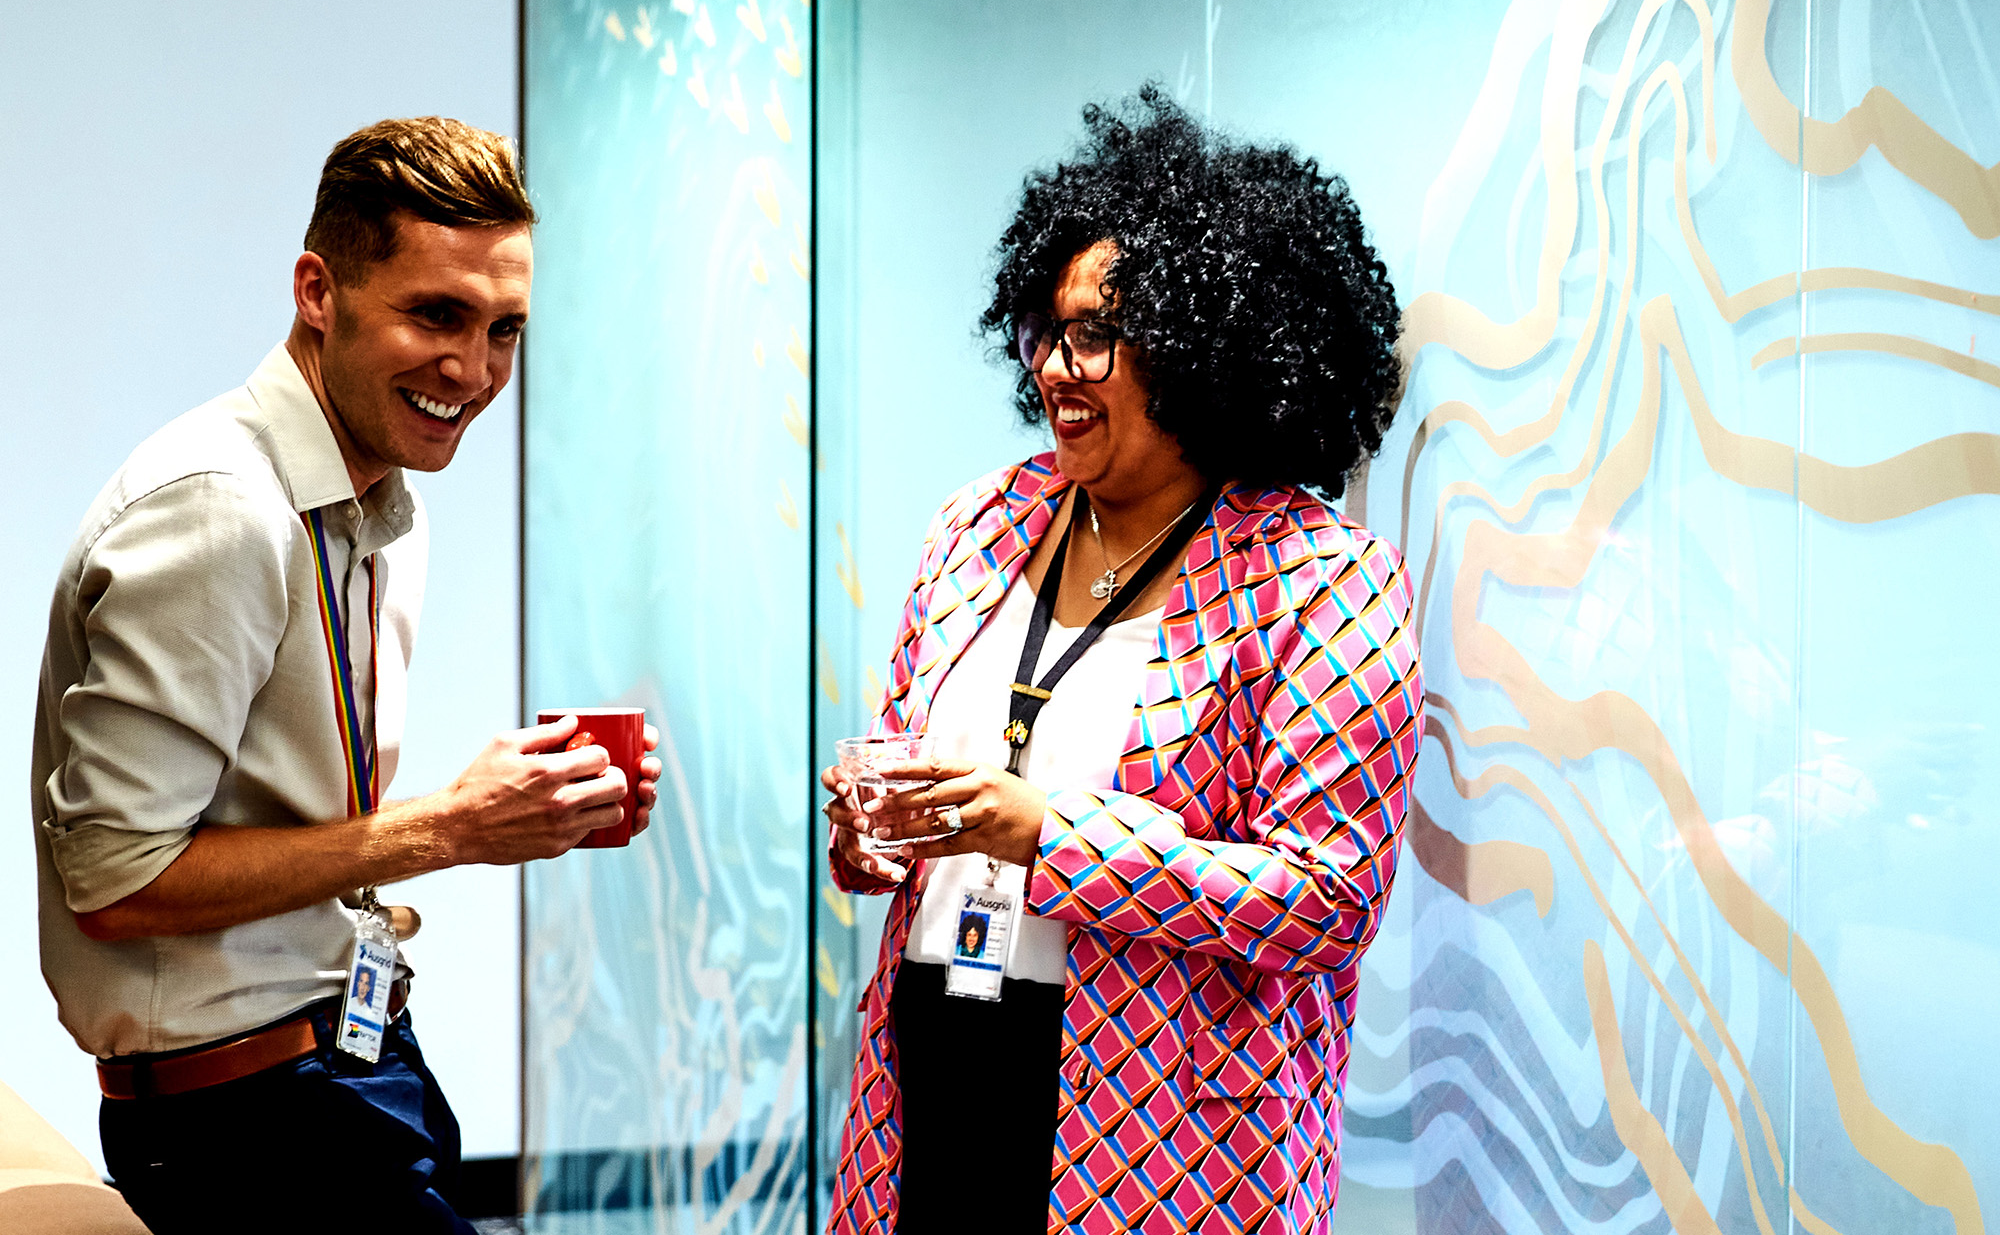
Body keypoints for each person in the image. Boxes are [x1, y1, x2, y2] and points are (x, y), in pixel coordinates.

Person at [30, 116, 663, 1235]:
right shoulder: (224, 504)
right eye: (436, 315)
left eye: (505, 330)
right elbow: (115, 880)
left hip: (345, 1060)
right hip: (244, 1124)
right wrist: (447, 828)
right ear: (317, 291)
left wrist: (521, 805)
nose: (473, 372)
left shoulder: (379, 502)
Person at [821, 86, 1421, 1234]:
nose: (1054, 366)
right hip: (928, 1076)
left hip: (1163, 1134)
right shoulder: (977, 523)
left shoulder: (1319, 577)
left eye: (1094, 334)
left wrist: (1047, 832)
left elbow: (1327, 896)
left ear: (1202, 347)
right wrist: (872, 838)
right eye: (1043, 331)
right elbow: (910, 777)